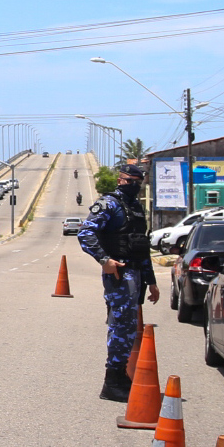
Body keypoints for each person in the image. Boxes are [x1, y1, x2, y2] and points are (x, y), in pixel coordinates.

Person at [77, 163, 159, 401]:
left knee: (128, 327)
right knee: (120, 327)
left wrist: (151, 281)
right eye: (131, 180)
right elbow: (86, 233)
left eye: (138, 181)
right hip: (119, 273)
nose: (135, 185)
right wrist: (104, 260)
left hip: (136, 273)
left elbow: (141, 246)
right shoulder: (109, 203)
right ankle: (112, 382)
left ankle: (120, 375)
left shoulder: (135, 207)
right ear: (121, 180)